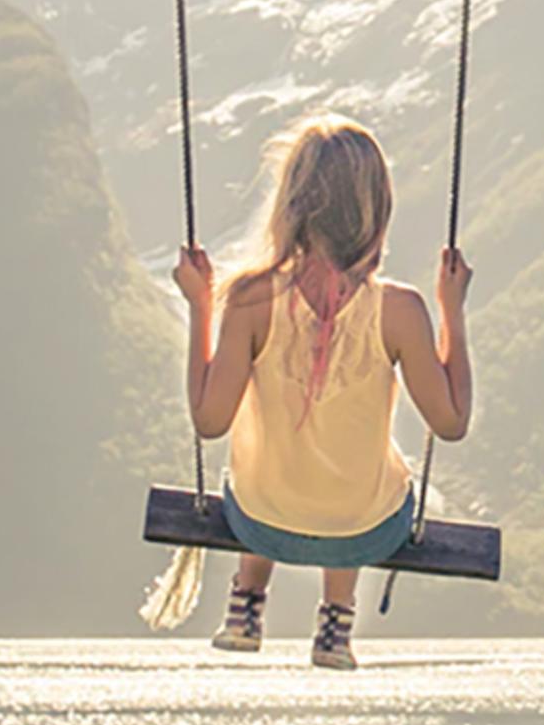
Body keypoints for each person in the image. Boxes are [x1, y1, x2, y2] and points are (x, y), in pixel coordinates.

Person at [173, 113, 473, 669]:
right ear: (377, 209)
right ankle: (336, 620)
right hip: (365, 531)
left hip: (260, 522)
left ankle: (246, 601)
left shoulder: (249, 298)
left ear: (292, 203)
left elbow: (209, 420)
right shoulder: (401, 311)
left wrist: (201, 306)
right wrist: (452, 312)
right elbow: (451, 423)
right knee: (368, 468)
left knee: (260, 459)